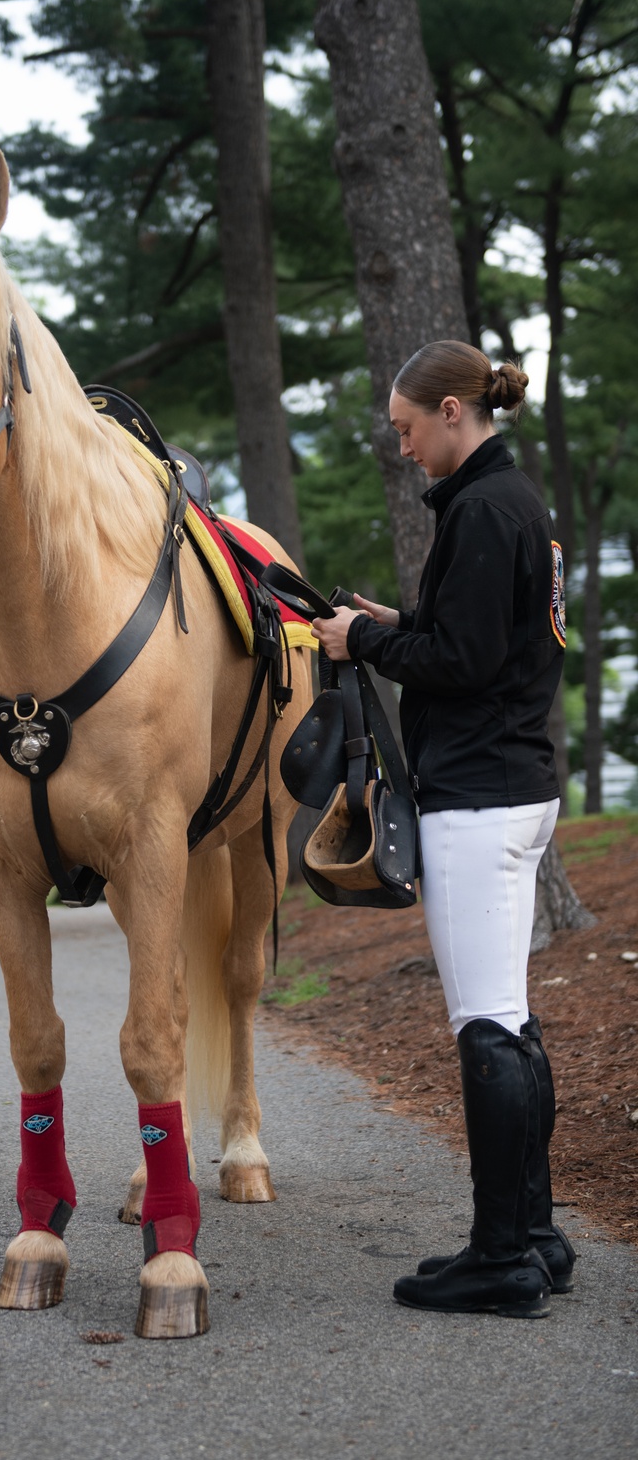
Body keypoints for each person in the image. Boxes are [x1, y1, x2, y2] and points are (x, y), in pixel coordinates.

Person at [310, 339, 574, 1319]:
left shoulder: (480, 508)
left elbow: (460, 662)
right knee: (508, 1016)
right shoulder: (516, 504)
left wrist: (362, 640)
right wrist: (397, 620)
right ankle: (537, 1237)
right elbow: (482, 639)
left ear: (454, 411)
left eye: (408, 427)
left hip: (478, 798)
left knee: (484, 1028)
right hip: (516, 782)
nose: (403, 444)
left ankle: (500, 1257)